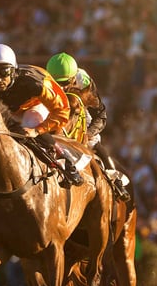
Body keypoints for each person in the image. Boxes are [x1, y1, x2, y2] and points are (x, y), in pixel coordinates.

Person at [0, 43, 84, 186]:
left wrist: (37, 130)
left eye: (4, 73)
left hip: (38, 105)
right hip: (12, 110)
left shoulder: (34, 83)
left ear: (13, 70)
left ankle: (66, 161)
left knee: (28, 124)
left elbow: (62, 111)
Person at [46, 52, 130, 201]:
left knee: (94, 143)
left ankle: (116, 181)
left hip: (80, 113)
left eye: (65, 82)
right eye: (57, 83)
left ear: (74, 78)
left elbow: (101, 114)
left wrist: (89, 133)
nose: (61, 87)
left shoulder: (84, 81)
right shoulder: (44, 82)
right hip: (55, 115)